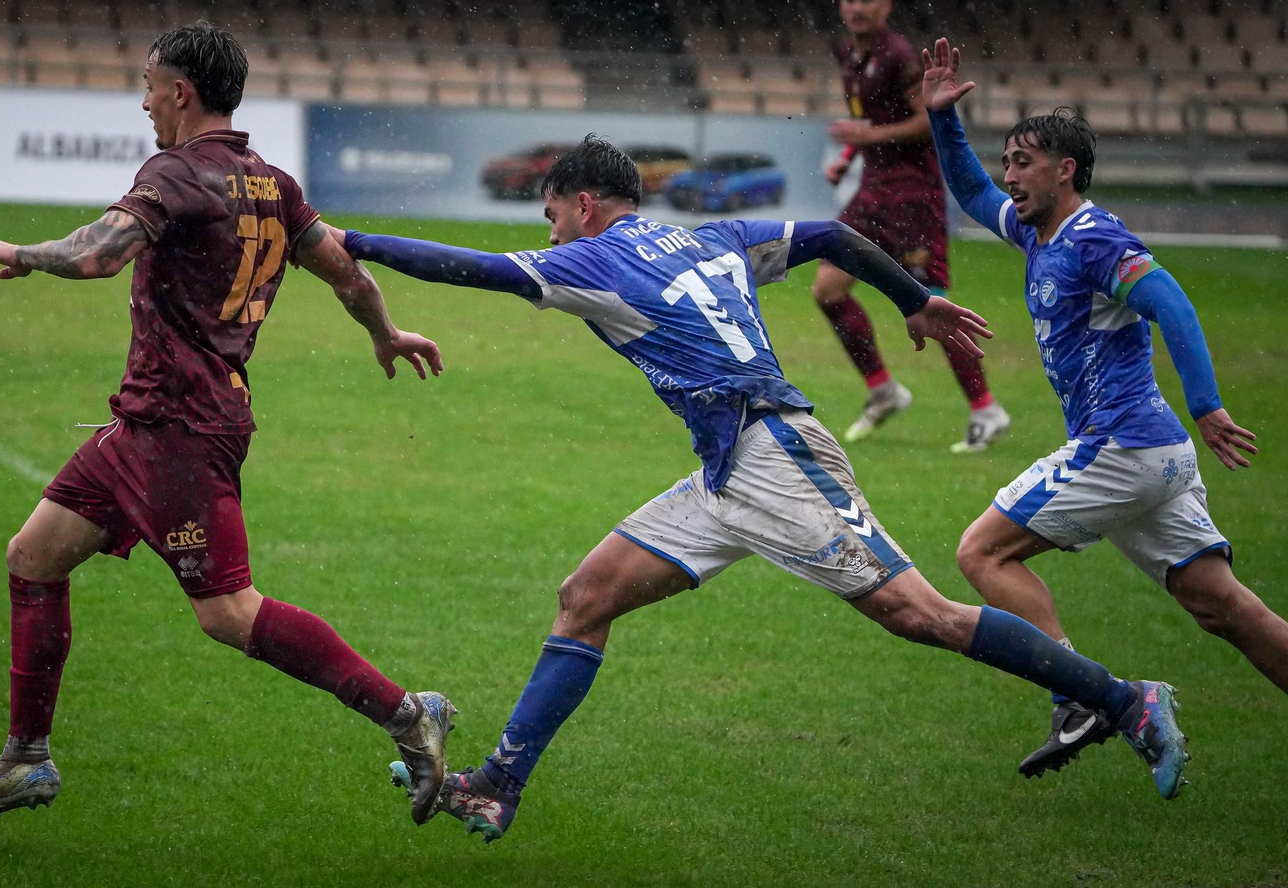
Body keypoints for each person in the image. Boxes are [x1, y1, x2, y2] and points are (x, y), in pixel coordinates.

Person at [343, 136, 1191, 842]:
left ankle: (1124, 698)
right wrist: (914, 298)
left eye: (553, 214)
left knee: (921, 614)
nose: (552, 232)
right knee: (586, 595)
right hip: (725, 467)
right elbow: (824, 233)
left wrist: (353, 243)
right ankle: (498, 781)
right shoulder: (712, 236)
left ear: (587, 204)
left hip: (777, 454)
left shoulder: (595, 259)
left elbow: (472, 268)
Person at [0, 22, 456, 830]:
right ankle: (27, 757)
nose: (144, 102)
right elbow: (345, 273)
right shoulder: (271, 183)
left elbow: (102, 253)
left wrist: (27, 251)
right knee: (33, 556)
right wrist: (384, 331)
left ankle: (405, 712)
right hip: (148, 420)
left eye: (149, 85)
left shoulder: (176, 173)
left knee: (229, 613)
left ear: (180, 91)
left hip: (181, 425)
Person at [922, 37, 1288, 781]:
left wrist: (1210, 404)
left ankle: (1081, 696)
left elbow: (1171, 302)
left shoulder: (1095, 239)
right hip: (1149, 456)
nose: (1009, 175)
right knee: (1223, 608)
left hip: (1123, 446)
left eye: (1024, 162)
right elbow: (970, 193)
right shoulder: (1036, 229)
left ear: (1066, 171)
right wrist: (941, 122)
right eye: (1008, 161)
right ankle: (1088, 697)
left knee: (980, 552)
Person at [820, 0, 1009, 451]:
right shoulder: (850, 53)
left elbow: (926, 121)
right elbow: (876, 117)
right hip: (871, 192)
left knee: (930, 306)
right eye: (849, 0)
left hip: (911, 197)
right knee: (828, 288)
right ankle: (883, 389)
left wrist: (865, 139)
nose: (857, 8)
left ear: (885, 5)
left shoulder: (899, 55)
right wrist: (849, 159)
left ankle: (986, 408)